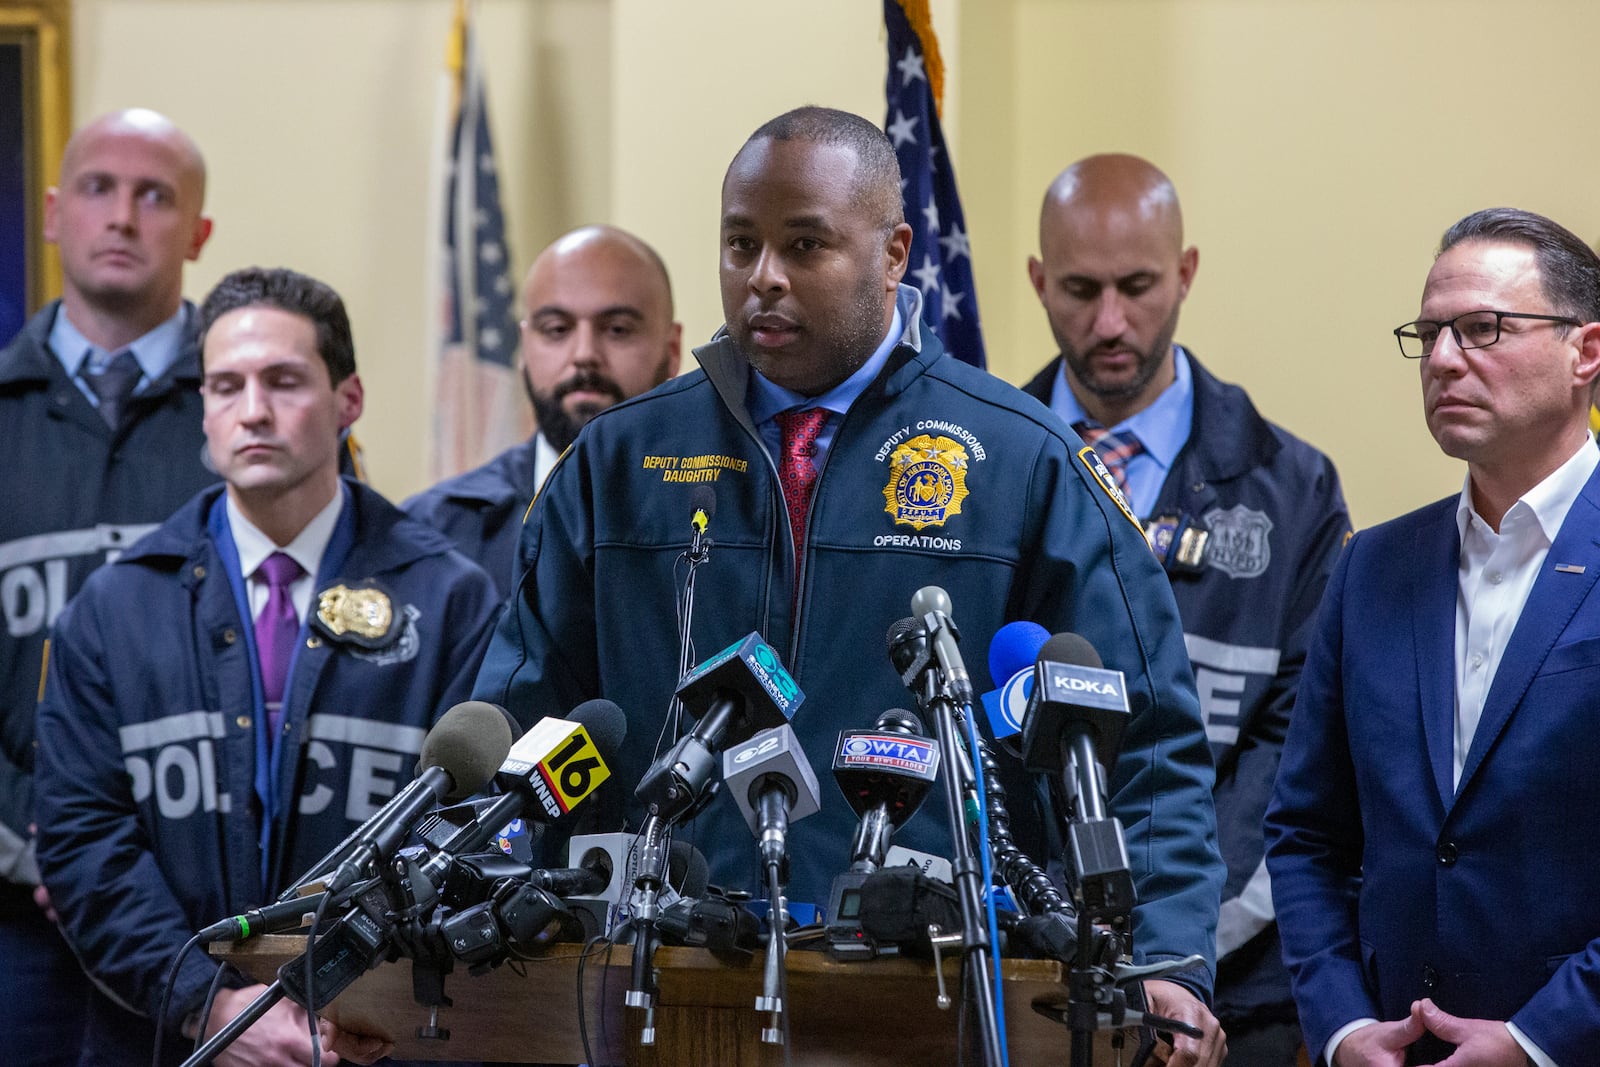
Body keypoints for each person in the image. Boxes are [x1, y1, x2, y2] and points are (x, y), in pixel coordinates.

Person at [473, 106, 1227, 1065]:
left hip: (933, 993)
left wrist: (1163, 957)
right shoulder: (618, 460)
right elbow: (519, 722)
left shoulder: (1017, 457)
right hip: (659, 987)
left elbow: (1143, 736)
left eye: (805, 244)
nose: (764, 278)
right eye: (740, 243)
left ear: (894, 252)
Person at [33, 267, 502, 1067]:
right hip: (164, 1036)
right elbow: (82, 839)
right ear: (203, 408)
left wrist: (352, 1001)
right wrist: (210, 1007)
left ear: (348, 399)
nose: (252, 410)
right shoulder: (113, 608)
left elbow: (480, 832)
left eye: (284, 381)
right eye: (225, 385)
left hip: (374, 1043)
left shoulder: (452, 597)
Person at [1020, 154, 1350, 1065]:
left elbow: (1299, 743)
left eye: (1140, 286)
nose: (1112, 322)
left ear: (1187, 272)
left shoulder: (1294, 488)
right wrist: (1053, 924)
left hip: (1234, 980)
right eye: (1081, 290)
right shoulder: (987, 468)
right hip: (1020, 967)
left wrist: (1179, 936)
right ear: (1040, 282)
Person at [1266, 207, 1600, 1067]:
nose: (1445, 358)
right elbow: (1306, 833)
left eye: (1483, 328)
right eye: (1430, 333)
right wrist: (1341, 1027)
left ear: (1585, 352)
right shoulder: (1370, 567)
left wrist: (1537, 1038)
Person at [0, 107, 218, 1066]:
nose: (123, 216)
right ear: (53, 214)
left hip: (206, 915)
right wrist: (45, 843)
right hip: (11, 912)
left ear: (199, 231)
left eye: (155, 195)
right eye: (99, 188)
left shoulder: (257, 407)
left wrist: (124, 867)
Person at [404, 224, 682, 597]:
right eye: (556, 329)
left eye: (617, 329)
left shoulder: (728, 520)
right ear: (524, 347)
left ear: (673, 348)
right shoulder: (433, 533)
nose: (584, 354)